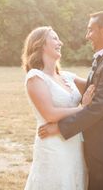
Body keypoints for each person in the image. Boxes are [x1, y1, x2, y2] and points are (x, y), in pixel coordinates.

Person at [39, 11, 103, 190]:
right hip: (97, 147)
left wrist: (59, 127)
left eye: (90, 30)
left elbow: (98, 107)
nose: (87, 36)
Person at [22, 26, 95, 190]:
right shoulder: (35, 77)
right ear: (40, 45)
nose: (60, 42)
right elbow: (50, 114)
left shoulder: (67, 76)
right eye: (54, 38)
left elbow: (96, 87)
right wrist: (84, 108)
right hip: (53, 146)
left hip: (75, 143)